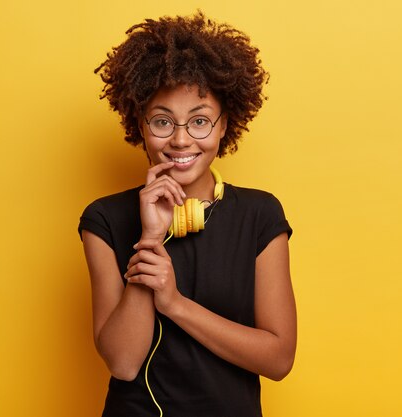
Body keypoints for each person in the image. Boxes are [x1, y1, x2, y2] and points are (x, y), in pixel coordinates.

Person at [79, 12, 297, 417]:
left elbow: (278, 359)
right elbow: (124, 363)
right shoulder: (104, 220)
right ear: (140, 125)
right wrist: (149, 238)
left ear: (223, 126)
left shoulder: (259, 215)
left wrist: (175, 302)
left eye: (199, 121)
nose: (180, 139)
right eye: (163, 122)